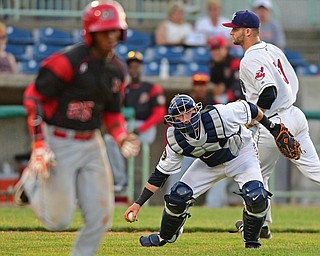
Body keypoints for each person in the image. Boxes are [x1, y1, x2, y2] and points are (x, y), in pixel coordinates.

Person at [13, 1, 140, 256]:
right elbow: (33, 97)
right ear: (90, 33)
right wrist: (39, 142)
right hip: (59, 140)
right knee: (58, 221)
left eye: (115, 31)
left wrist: (120, 135)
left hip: (92, 141)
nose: (111, 36)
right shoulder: (66, 61)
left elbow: (113, 113)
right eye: (105, 31)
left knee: (102, 215)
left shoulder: (117, 69)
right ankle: (31, 182)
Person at [123, 93, 298, 249]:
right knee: (178, 196)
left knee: (256, 196)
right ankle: (165, 236)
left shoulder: (220, 115)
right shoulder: (175, 139)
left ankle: (251, 241)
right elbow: (160, 175)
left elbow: (250, 109)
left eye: (188, 112)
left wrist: (274, 129)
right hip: (209, 162)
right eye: (179, 116)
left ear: (197, 110)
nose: (185, 119)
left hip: (240, 154)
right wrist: (138, 204)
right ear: (172, 120)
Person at [222, 10, 320, 239]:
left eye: (235, 29)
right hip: (295, 115)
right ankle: (262, 223)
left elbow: (269, 91)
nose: (231, 32)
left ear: (247, 31)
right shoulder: (273, 49)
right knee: (315, 170)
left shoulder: (250, 58)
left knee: (252, 173)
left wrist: (256, 116)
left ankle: (256, 226)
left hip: (274, 122)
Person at [106, 50, 166, 193]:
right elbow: (116, 111)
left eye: (137, 66)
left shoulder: (151, 87)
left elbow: (159, 113)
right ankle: (121, 180)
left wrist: (141, 128)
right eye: (131, 66)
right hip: (128, 125)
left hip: (145, 127)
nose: (134, 69)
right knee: (109, 140)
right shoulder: (124, 88)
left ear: (142, 68)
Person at [207, 35, 244, 104]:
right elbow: (215, 84)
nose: (215, 52)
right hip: (223, 95)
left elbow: (239, 84)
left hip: (238, 95)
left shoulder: (234, 62)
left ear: (225, 49)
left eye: (218, 49)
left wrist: (227, 95)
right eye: (213, 49)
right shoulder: (213, 64)